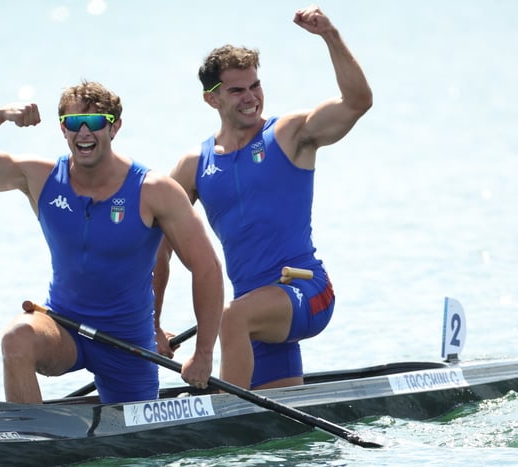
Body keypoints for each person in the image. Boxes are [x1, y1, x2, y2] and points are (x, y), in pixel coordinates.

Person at [0, 81, 223, 404]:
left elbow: (207, 269)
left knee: (135, 440)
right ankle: (31, 440)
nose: (84, 132)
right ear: (63, 129)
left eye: (96, 122)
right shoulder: (40, 177)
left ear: (114, 127)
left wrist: (203, 354)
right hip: (63, 327)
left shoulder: (155, 190)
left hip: (126, 342)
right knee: (16, 338)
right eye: (74, 123)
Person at [154, 5, 372, 390]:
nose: (251, 97)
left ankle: (223, 419)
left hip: (307, 292)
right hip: (256, 315)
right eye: (237, 90)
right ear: (212, 99)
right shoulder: (193, 167)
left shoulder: (290, 135)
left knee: (231, 320)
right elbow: (155, 243)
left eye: (255, 85)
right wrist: (151, 323)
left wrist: (330, 36)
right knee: (280, 436)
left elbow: (357, 102)